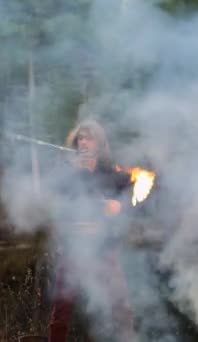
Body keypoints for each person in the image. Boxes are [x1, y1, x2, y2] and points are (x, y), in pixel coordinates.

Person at [46, 118, 135, 342]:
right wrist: (79, 172)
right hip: (74, 247)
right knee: (62, 308)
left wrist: (120, 205)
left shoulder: (112, 172)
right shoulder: (67, 172)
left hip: (104, 247)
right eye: (80, 139)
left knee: (120, 306)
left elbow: (132, 195)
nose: (84, 143)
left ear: (100, 143)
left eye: (89, 138)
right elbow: (56, 201)